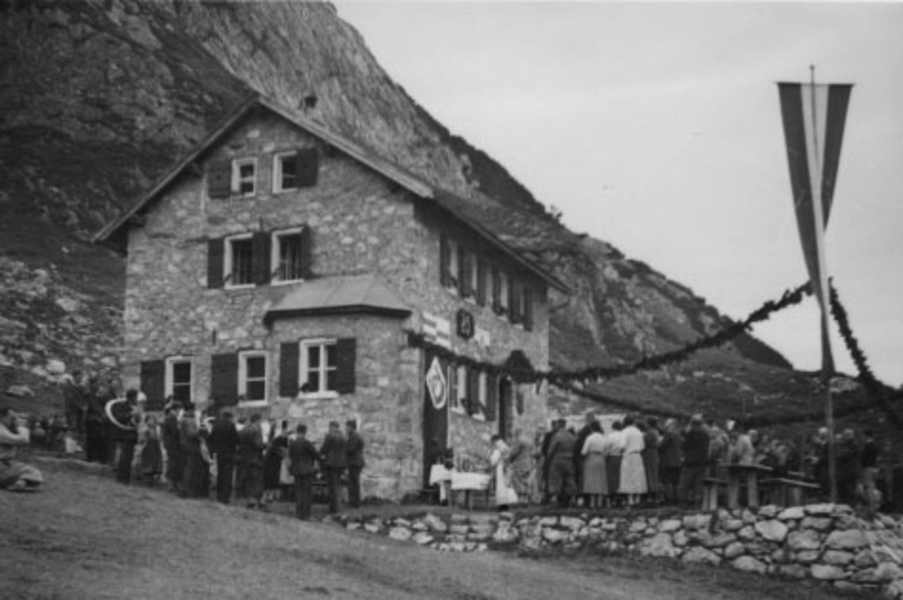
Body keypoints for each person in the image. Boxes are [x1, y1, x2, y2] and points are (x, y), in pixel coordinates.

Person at [0, 407, 43, 491]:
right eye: (12, 418)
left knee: (32, 472)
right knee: (34, 473)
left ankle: (15, 482)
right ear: (2, 417)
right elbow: (23, 440)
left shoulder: (4, 429)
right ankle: (14, 483)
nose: (13, 421)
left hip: (6, 464)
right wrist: (22, 426)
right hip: (2, 465)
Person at [110, 389, 141, 484]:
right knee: (124, 457)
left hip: (132, 435)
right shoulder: (121, 405)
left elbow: (137, 421)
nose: (137, 399)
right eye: (136, 397)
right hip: (124, 435)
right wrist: (131, 414)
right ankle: (121, 478)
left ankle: (126, 478)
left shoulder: (136, 407)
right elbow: (119, 417)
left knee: (129, 458)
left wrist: (137, 416)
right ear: (132, 397)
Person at [678, 414, 709, 507]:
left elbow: (684, 446)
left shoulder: (690, 434)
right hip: (702, 463)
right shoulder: (705, 435)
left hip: (690, 463)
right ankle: (697, 504)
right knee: (698, 485)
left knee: (684, 484)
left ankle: (683, 504)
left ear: (692, 424)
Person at [289, 424, 319, 519]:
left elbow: (290, 456)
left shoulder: (292, 444)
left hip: (296, 470)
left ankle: (298, 512)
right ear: (305, 432)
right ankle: (306, 514)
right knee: (307, 493)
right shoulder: (307, 443)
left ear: (297, 431)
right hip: (307, 470)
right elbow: (315, 455)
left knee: (298, 492)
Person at [236, 414, 266, 509]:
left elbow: (239, 443)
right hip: (255, 458)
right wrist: (266, 445)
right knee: (257, 480)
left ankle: (249, 499)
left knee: (248, 479)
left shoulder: (243, 430)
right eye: (260, 421)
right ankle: (256, 500)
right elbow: (258, 445)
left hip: (245, 458)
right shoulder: (256, 430)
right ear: (257, 420)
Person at [546, 418, 577, 508]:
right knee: (569, 479)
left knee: (556, 480)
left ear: (559, 425)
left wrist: (548, 459)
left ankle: (556, 500)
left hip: (558, 459)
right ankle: (570, 499)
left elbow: (551, 450)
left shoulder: (557, 436)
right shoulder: (571, 436)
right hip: (569, 460)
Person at [209, 410, 238, 504]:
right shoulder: (231, 425)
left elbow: (211, 438)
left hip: (219, 453)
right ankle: (225, 497)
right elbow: (235, 439)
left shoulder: (216, 425)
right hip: (229, 452)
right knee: (228, 476)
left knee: (220, 474)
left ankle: (219, 495)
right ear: (230, 417)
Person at [618, 416, 647, 506]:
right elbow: (643, 446)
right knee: (638, 476)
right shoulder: (639, 432)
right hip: (638, 455)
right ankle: (637, 498)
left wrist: (621, 451)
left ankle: (630, 499)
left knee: (628, 477)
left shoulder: (624, 432)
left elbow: (622, 446)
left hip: (628, 455)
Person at [319, 421, 347, 514]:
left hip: (331, 464)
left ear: (332, 427)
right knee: (337, 486)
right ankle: (337, 507)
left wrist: (320, 454)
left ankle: (334, 508)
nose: (329, 428)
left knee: (332, 487)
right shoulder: (343, 436)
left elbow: (324, 449)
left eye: (330, 427)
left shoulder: (330, 436)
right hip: (341, 465)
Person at [580, 421, 608, 509]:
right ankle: (599, 502)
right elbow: (606, 451)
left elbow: (584, 451)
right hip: (601, 459)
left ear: (591, 428)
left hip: (591, 458)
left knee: (591, 480)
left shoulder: (590, 438)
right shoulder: (604, 437)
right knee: (600, 480)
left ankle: (592, 502)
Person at [573, 412, 597, 507]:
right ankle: (588, 499)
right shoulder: (594, 430)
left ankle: (583, 498)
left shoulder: (583, 431)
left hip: (583, 457)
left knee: (583, 479)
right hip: (589, 457)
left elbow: (578, 445)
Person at [263, 421, 289, 503]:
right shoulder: (277, 441)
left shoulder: (274, 440)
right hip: (273, 462)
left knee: (272, 479)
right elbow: (282, 450)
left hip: (272, 462)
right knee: (272, 479)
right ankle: (269, 496)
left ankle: (269, 496)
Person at [506, 429, 534, 504]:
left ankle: (521, 498)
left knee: (517, 480)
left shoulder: (519, 441)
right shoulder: (529, 440)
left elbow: (514, 452)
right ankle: (526, 498)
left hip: (519, 463)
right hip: (528, 463)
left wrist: (508, 459)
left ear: (516, 433)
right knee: (525, 480)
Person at [658, 418, 682, 504]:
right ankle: (676, 498)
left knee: (667, 481)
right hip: (678, 461)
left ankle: (669, 499)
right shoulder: (678, 435)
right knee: (676, 481)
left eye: (667, 425)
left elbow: (661, 447)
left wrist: (659, 443)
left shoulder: (669, 434)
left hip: (668, 461)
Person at [490, 435, 518, 509]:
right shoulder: (505, 446)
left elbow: (494, 461)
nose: (492, 444)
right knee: (506, 485)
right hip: (507, 468)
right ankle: (507, 503)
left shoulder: (498, 448)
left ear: (494, 441)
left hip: (501, 468)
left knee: (501, 487)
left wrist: (492, 460)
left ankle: (503, 505)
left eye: (492, 442)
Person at [161, 403, 183, 493]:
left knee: (173, 464)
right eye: (179, 410)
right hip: (173, 445)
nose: (179, 412)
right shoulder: (172, 418)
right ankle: (171, 485)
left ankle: (173, 484)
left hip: (170, 444)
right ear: (176, 409)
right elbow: (175, 432)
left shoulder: (170, 418)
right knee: (173, 464)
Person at [345, 420, 365, 508]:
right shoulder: (353, 436)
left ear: (351, 427)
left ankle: (355, 503)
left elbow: (351, 449)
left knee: (354, 483)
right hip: (355, 461)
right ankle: (354, 502)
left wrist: (343, 448)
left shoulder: (354, 436)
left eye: (347, 427)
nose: (346, 428)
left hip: (355, 462)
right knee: (353, 483)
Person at [138, 414, 163, 486]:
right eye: (150, 420)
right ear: (147, 420)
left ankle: (152, 479)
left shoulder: (157, 429)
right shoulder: (145, 428)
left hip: (155, 447)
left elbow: (159, 438)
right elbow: (141, 439)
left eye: (153, 420)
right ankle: (146, 479)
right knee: (147, 463)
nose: (152, 421)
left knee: (155, 463)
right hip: (147, 448)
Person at [606, 420, 626, 506]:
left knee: (612, 478)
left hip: (612, 457)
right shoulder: (623, 435)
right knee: (621, 477)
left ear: (613, 427)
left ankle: (612, 497)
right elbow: (624, 447)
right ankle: (621, 497)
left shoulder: (610, 436)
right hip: (622, 457)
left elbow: (606, 447)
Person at [642, 418, 662, 503]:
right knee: (654, 474)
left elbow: (645, 443)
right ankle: (656, 495)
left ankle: (651, 496)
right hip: (655, 454)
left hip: (649, 454)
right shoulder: (656, 432)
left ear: (649, 424)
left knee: (650, 474)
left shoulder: (649, 433)